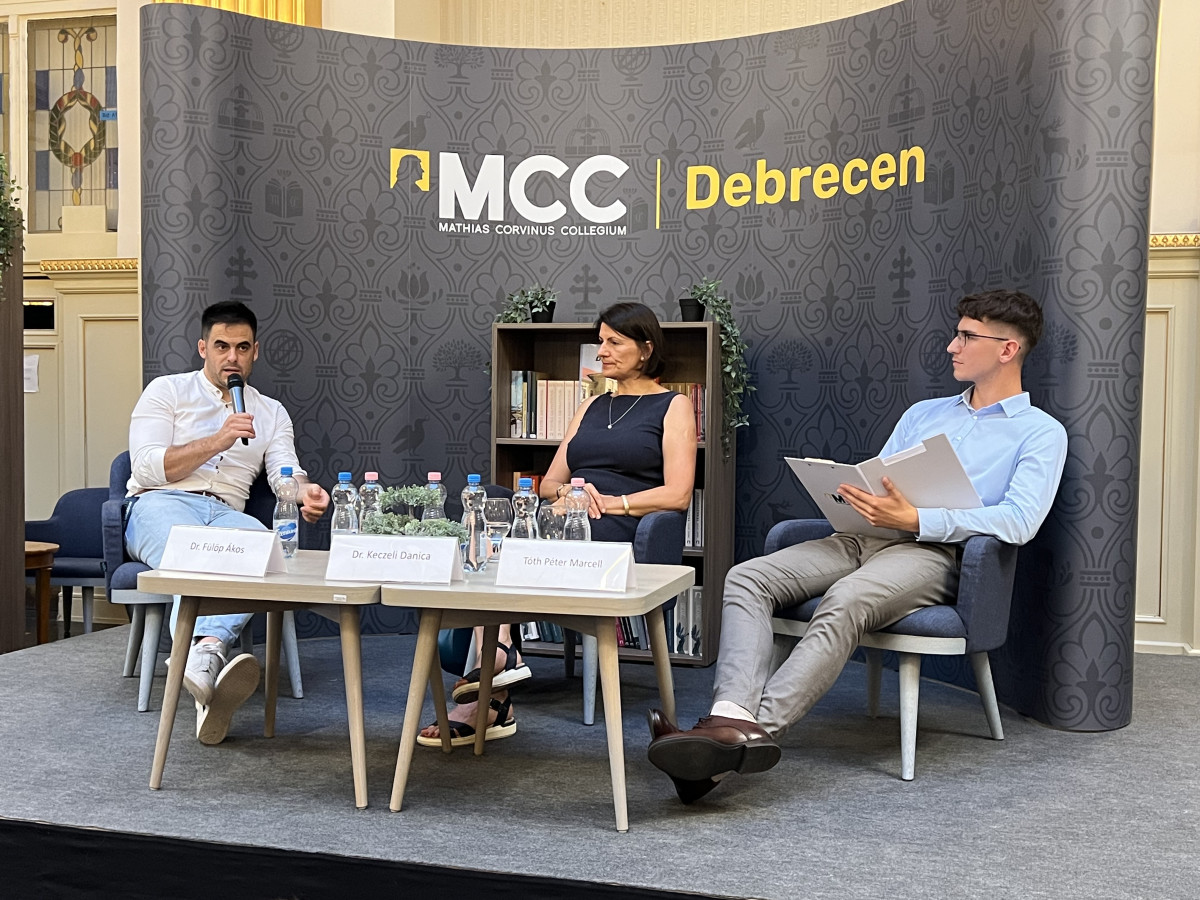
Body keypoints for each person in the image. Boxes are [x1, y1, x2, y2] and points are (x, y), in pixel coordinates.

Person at [646, 289, 1068, 804]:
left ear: (1007, 349)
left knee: (848, 598)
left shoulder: (1041, 433)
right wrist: (856, 497)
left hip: (933, 553)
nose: (951, 346)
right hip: (861, 538)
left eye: (965, 336)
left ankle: (746, 736)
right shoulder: (924, 414)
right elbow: (881, 480)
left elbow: (1020, 520)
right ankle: (730, 719)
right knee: (747, 577)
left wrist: (919, 519)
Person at [418, 301, 697, 747]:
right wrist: (571, 494)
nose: (601, 351)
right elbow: (548, 483)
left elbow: (678, 493)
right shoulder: (591, 406)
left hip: (623, 525)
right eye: (600, 341)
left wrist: (613, 502)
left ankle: (492, 683)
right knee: (487, 518)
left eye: (614, 342)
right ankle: (499, 657)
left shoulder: (674, 405)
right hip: (566, 514)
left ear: (646, 349)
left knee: (519, 542)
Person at [124, 301, 329, 745]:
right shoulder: (167, 391)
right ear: (204, 348)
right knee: (193, 551)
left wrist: (305, 492)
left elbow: (285, 474)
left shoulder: (271, 412)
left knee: (263, 551)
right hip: (160, 503)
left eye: (242, 347)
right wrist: (218, 439)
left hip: (227, 513)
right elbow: (145, 467)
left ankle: (203, 660)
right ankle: (208, 656)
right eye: (221, 346)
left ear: (256, 351)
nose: (232, 357)